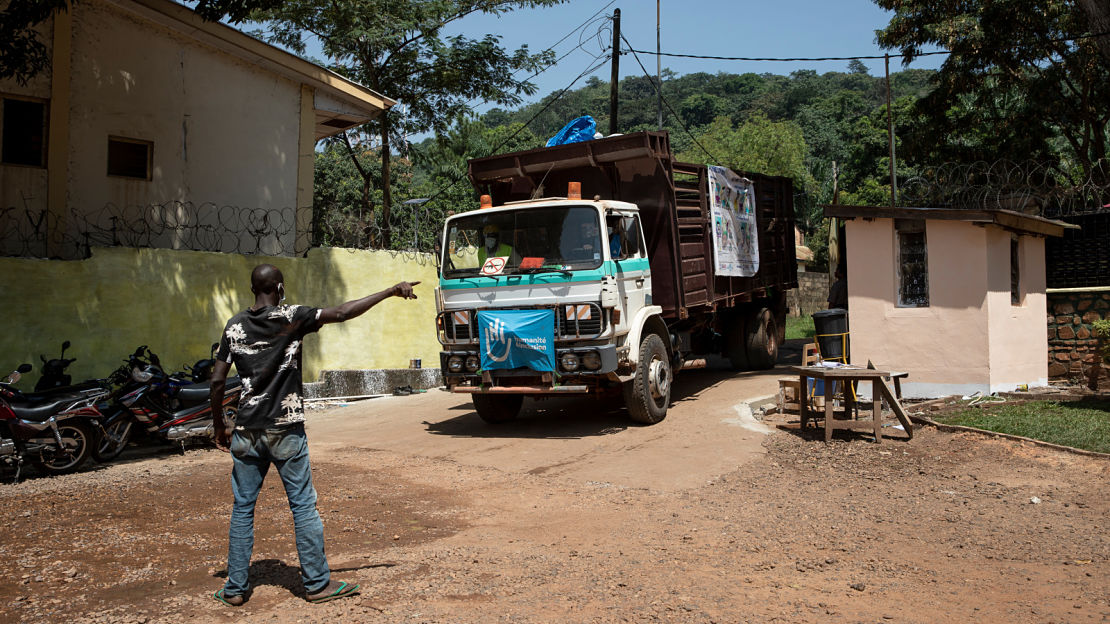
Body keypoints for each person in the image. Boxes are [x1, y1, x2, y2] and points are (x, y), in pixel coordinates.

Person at [209, 264, 419, 607]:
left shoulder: (233, 325)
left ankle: (234, 589)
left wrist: (220, 425)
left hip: (247, 429)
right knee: (303, 505)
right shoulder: (293, 316)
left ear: (253, 290)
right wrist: (390, 291)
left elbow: (218, 380)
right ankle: (317, 585)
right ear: (279, 286)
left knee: (243, 509)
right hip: (286, 428)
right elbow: (342, 312)